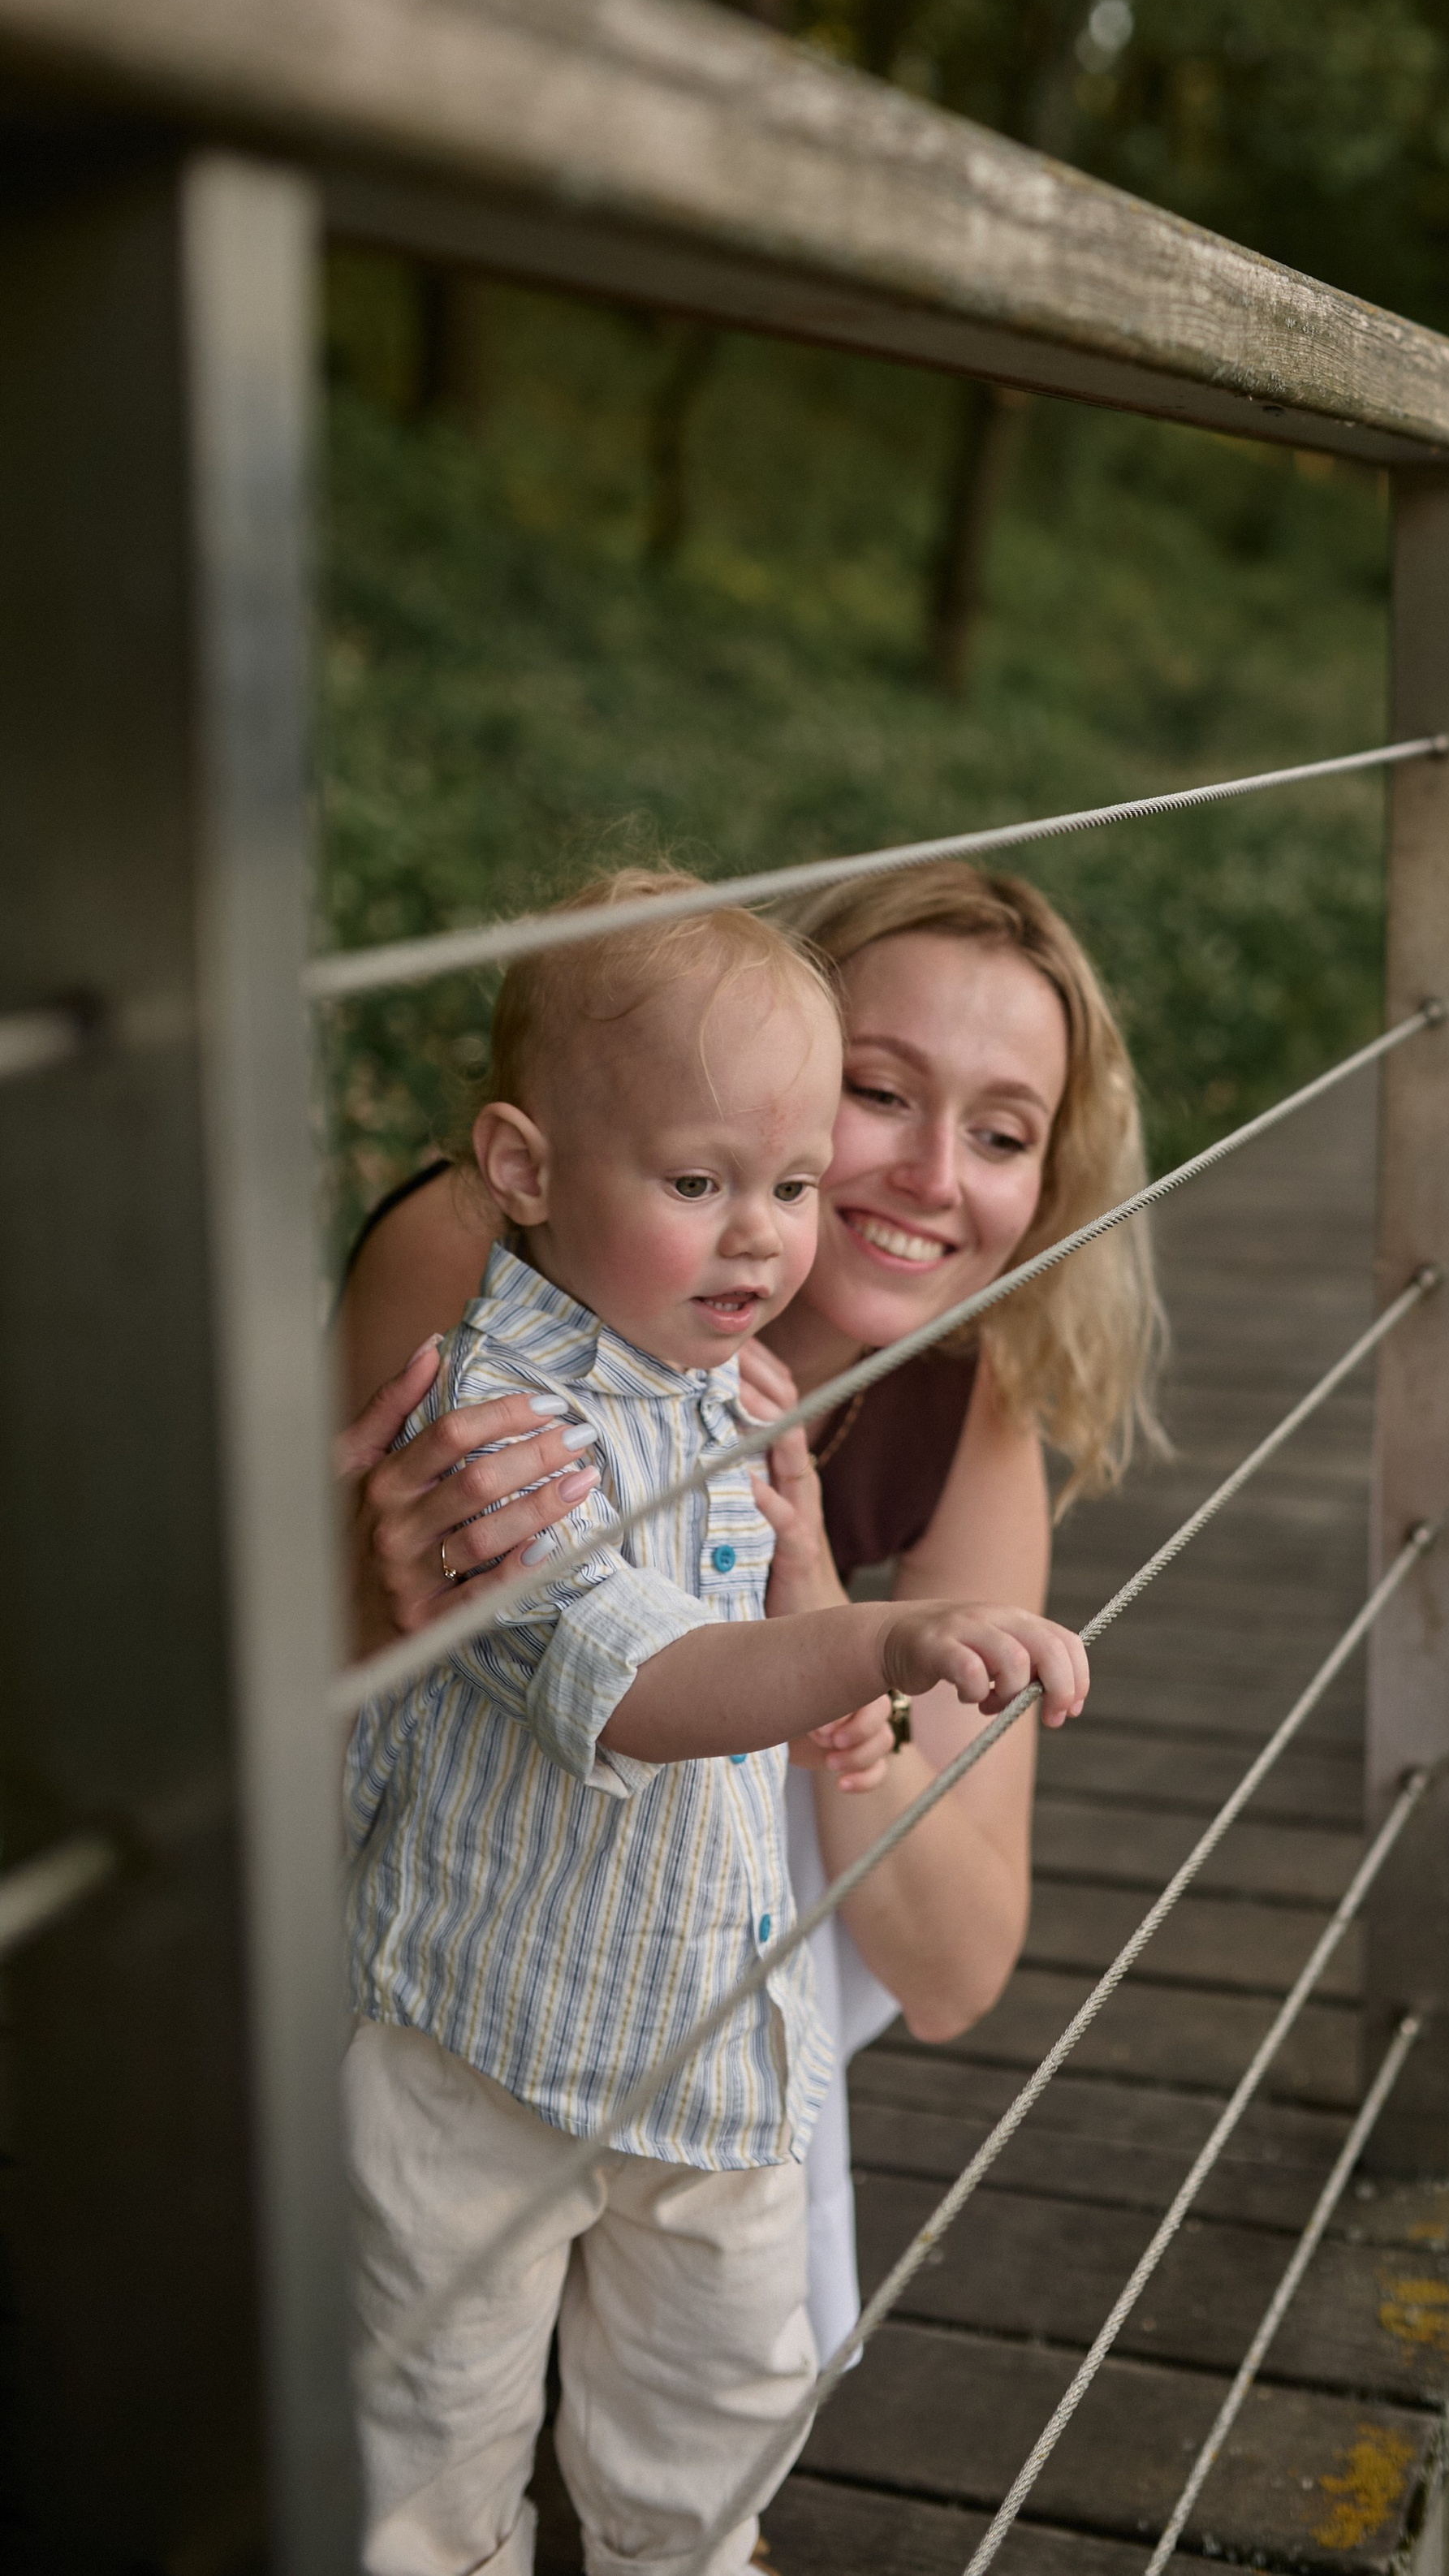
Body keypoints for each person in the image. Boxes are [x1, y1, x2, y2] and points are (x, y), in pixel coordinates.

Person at [344, 876, 1089, 2576]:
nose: (925, 1174)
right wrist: (872, 1642)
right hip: (465, 1979)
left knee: (720, 2391)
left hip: (700, 1974)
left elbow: (955, 1963)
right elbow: (586, 1674)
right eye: (881, 1091)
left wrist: (833, 1628)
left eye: (1000, 1130)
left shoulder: (823, 1396)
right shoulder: (494, 1332)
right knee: (426, 2432)